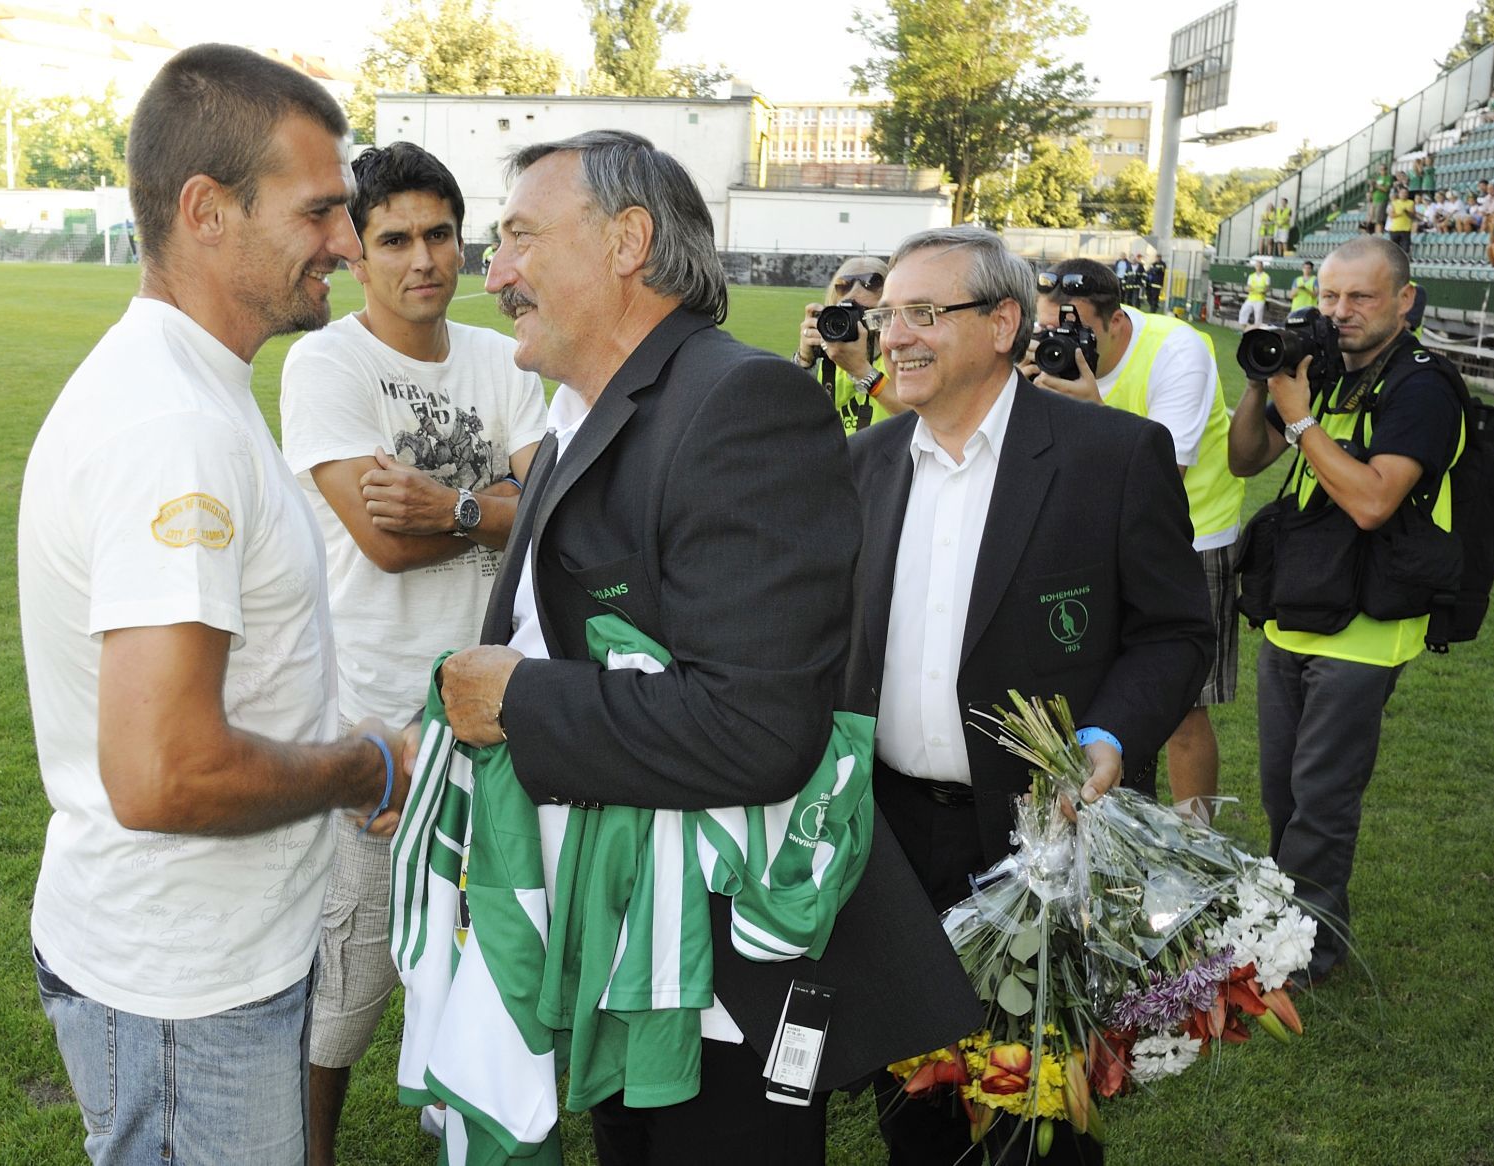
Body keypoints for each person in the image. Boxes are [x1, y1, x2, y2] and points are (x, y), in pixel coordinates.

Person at [439, 129, 979, 1165]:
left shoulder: (738, 403)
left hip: (727, 961)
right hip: (627, 941)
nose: (494, 271)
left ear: (627, 240)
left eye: (517, 238)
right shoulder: (579, 411)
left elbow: (756, 725)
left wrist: (519, 702)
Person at [16, 44, 419, 1166]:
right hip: (184, 985)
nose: (348, 241)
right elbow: (164, 770)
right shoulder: (172, 427)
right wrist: (364, 765)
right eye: (321, 212)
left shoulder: (195, 385)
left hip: (205, 963)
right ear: (205, 210)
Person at [845, 226, 1213, 1164]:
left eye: (926, 313)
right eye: (890, 315)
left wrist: (1111, 736)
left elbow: (1174, 632)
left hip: (1038, 841)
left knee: (1033, 1115)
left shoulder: (1113, 456)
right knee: (914, 1107)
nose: (894, 336)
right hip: (889, 842)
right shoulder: (868, 460)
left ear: (1004, 322)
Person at [278, 141, 548, 1166]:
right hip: (377, 724)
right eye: (393, 238)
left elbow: (551, 517)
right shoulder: (329, 363)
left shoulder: (499, 358)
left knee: (491, 953)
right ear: (355, 251)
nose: (422, 259)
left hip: (496, 716)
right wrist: (493, 513)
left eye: (439, 233)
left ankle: (463, 1113)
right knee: (346, 986)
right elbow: (383, 546)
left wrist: (453, 504)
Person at [1227, 235, 1464, 988]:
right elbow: (1243, 459)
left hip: (1366, 627)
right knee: (1281, 793)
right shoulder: (1319, 371)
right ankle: (1295, 929)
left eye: (1360, 297)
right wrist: (1264, 378)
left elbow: (1370, 501)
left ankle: (1303, 959)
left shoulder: (1424, 386)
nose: (1341, 313)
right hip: (1295, 609)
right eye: (1329, 296)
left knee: (1321, 801)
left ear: (1404, 300)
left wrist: (1302, 421)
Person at [1028, 259, 1243, 821]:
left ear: (1118, 322)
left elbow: (1162, 471)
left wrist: (1090, 407)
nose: (1061, 344)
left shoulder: (1179, 350)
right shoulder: (1045, 363)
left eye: (1076, 332)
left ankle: (1196, 840)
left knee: (1182, 706)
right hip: (1090, 536)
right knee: (1094, 686)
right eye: (1048, 331)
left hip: (1190, 539)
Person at [795, 255, 913, 434]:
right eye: (845, 312)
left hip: (889, 458)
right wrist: (804, 360)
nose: (855, 322)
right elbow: (788, 417)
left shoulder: (902, 354)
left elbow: (920, 419)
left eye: (865, 313)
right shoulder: (828, 356)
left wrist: (863, 371)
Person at [1239, 256, 1270, 328]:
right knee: (1243, 312)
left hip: (1260, 299)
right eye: (1257, 265)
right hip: (1250, 298)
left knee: (1258, 318)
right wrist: (1249, 289)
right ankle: (1246, 329)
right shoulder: (1251, 276)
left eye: (1259, 265)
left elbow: (1267, 288)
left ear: (1262, 266)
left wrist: (1262, 291)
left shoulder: (1266, 276)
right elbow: (1248, 287)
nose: (1258, 267)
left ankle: (1256, 333)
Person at [1386, 184, 1416, 256]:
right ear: (1399, 194)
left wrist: (1407, 212)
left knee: (1405, 249)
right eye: (1402, 193)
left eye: (1405, 193)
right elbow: (1391, 215)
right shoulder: (1394, 203)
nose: (1404, 195)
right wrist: (1401, 213)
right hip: (1395, 229)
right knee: (1394, 248)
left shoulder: (1411, 203)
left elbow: (1412, 215)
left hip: (1406, 229)